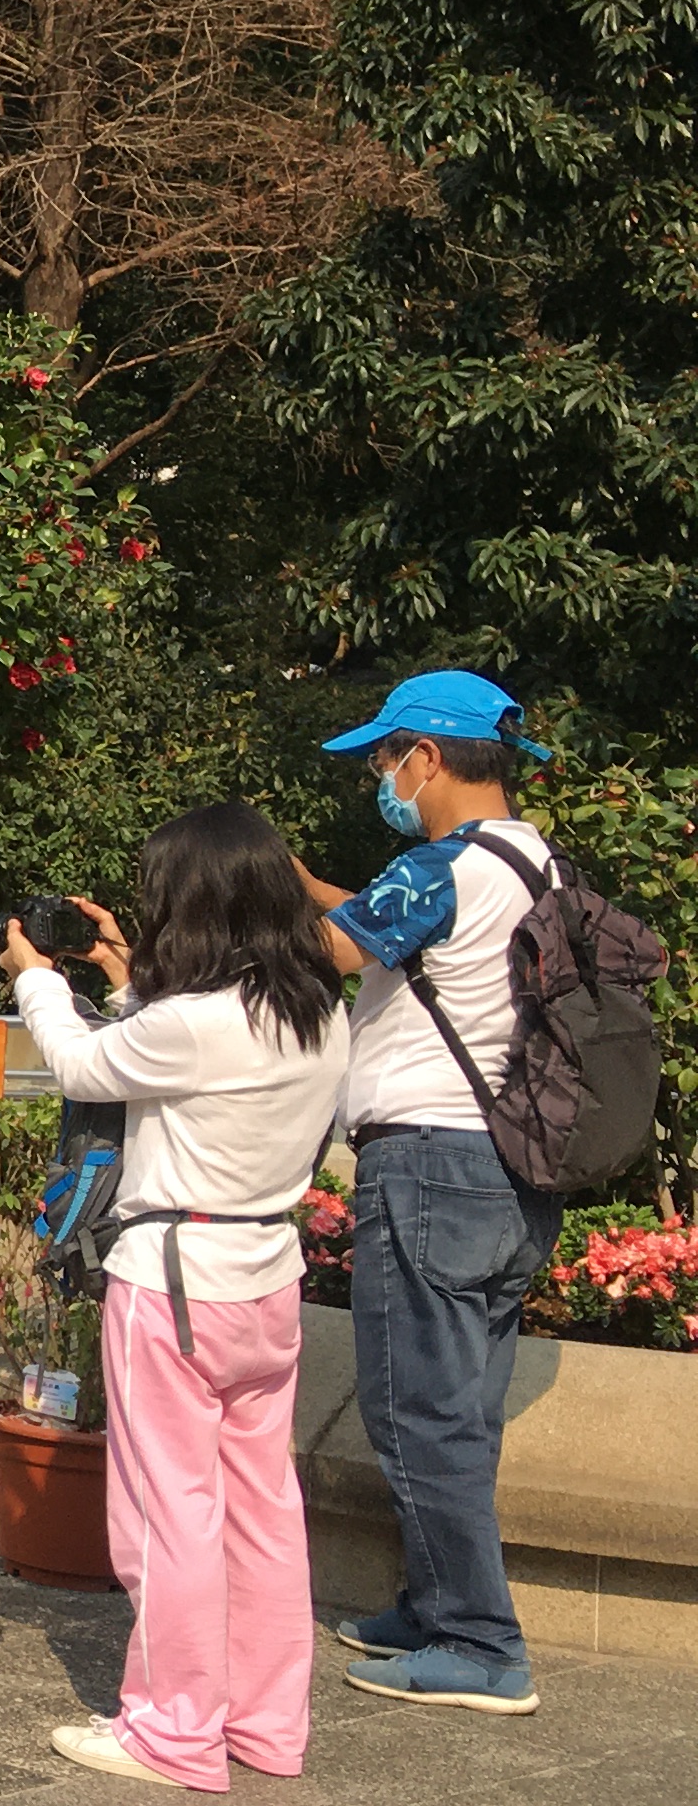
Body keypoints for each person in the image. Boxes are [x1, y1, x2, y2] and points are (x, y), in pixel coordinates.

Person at [0, 805, 348, 1791]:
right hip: (267, 1279)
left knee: (168, 1511)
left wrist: (36, 975)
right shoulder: (317, 1012)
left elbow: (83, 1063)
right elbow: (167, 1046)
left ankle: (173, 1731)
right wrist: (120, 971)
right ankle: (267, 1724)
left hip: (175, 1279)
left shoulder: (193, 1023)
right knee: (261, 1506)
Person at [294, 671, 564, 1717]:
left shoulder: (442, 866)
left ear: (430, 757)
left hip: (430, 1168)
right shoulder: (538, 864)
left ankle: (480, 1643)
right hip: (508, 1173)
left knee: (419, 1413)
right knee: (464, 1411)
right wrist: (317, 883)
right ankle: (435, 1600)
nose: (382, 776)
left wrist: (248, 895)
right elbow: (381, 923)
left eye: (384, 757)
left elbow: (331, 951)